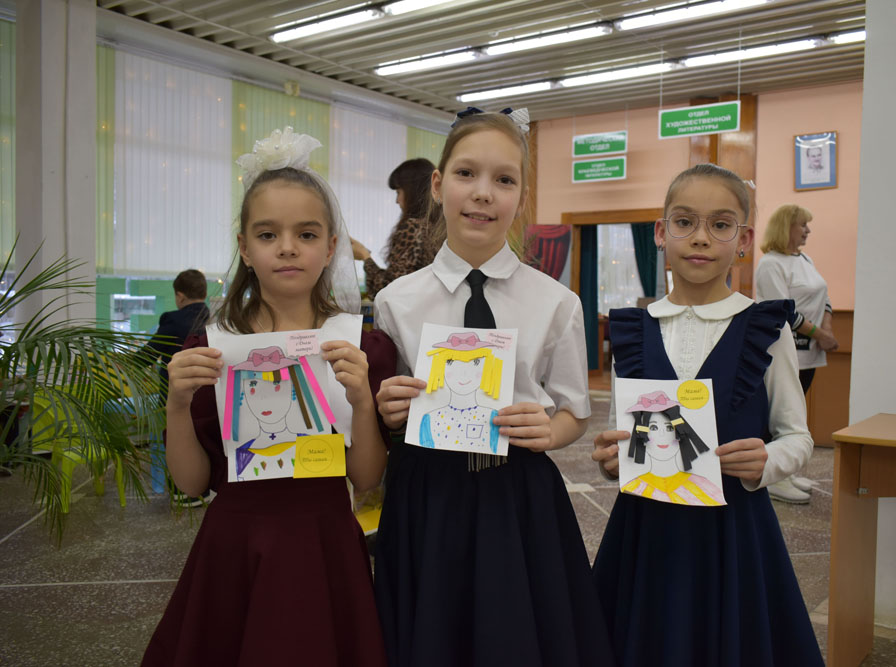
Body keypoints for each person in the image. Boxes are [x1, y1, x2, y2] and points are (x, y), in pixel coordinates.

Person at [372, 108, 615, 667]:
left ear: (521, 197)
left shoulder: (557, 302)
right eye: (466, 174)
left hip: (518, 495)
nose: (483, 194)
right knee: (433, 630)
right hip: (426, 494)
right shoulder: (396, 302)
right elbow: (387, 410)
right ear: (437, 185)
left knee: (518, 630)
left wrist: (549, 432)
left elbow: (575, 411)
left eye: (503, 180)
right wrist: (386, 409)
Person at [142, 127, 392, 667]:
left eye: (305, 234)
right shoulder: (211, 348)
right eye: (267, 234)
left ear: (330, 247)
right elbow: (189, 483)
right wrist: (177, 403)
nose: (286, 248)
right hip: (235, 543)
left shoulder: (360, 344)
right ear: (244, 248)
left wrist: (364, 403)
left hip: (325, 542)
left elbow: (366, 478)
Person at [591, 164, 822, 666]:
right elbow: (620, 434)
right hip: (647, 530)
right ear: (660, 233)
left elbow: (797, 436)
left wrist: (769, 459)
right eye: (684, 222)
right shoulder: (634, 330)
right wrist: (610, 459)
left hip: (734, 532)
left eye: (720, 225)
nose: (700, 238)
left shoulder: (767, 327)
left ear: (743, 239)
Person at [755, 204, 837, 504]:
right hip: (785, 351)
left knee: (794, 413)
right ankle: (774, 475)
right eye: (802, 224)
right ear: (785, 227)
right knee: (778, 413)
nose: (808, 230)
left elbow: (824, 297)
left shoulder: (804, 258)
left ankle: (785, 470)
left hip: (812, 352)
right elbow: (782, 311)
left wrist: (825, 332)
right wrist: (821, 335)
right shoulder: (770, 264)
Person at [141, 269, 211, 506]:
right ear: (204, 292)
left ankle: (183, 491)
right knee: (202, 437)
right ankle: (203, 489)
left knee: (175, 436)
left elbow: (147, 356)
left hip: (177, 393)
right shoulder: (215, 319)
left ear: (180, 295)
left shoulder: (172, 320)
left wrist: (122, 365)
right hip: (208, 392)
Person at [352, 157, 439, 298]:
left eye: (398, 192)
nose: (396, 200)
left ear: (412, 192)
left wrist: (364, 256)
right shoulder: (439, 227)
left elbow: (390, 289)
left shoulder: (412, 228)